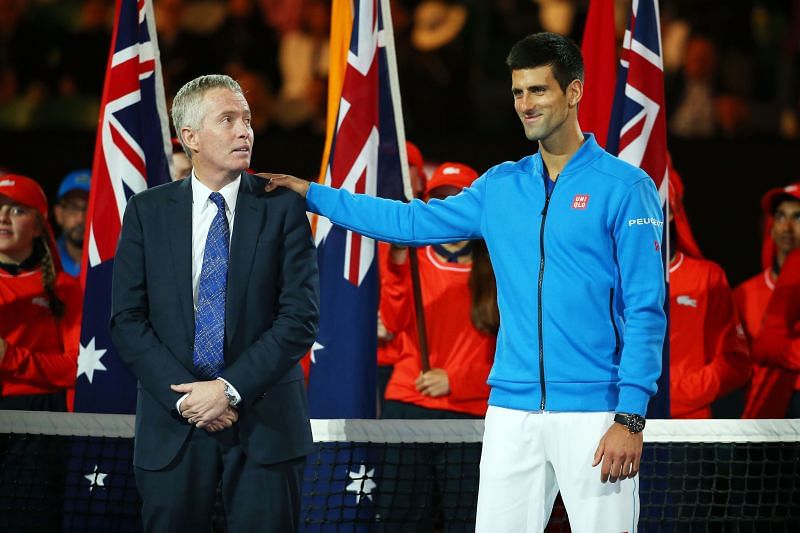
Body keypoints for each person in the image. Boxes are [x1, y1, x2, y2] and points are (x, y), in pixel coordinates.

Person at [266, 32, 666, 532]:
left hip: (595, 410)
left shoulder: (626, 188)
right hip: (510, 413)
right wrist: (314, 195)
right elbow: (407, 222)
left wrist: (630, 417)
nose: (525, 104)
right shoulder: (500, 186)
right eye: (518, 92)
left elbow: (646, 310)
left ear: (574, 92)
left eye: (538, 90)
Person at [109, 74, 320, 532]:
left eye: (246, 119)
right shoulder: (147, 211)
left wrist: (226, 389)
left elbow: (299, 318)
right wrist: (190, 398)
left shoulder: (282, 207)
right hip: (175, 426)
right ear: (190, 137)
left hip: (266, 428)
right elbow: (127, 320)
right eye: (228, 119)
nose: (245, 130)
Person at [378, 162, 497, 530]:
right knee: (401, 519)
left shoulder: (499, 265)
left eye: (459, 199)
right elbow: (392, 323)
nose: (450, 207)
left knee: (465, 520)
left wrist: (459, 381)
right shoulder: (411, 257)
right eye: (441, 199)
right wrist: (397, 262)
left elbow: (518, 345)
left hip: (470, 410)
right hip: (409, 403)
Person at [0, 174, 82, 530]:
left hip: (36, 421)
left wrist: (10, 357)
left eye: (16, 210)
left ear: (38, 225)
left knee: (27, 519)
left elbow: (77, 367)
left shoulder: (65, 288)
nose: (3, 219)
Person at [666, 167, 751, 419]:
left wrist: (669, 399)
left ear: (671, 211)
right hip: (619, 426)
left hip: (687, 432)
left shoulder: (707, 277)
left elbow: (736, 363)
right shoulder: (611, 277)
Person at [735, 183, 800, 417]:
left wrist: (772, 350)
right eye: (780, 216)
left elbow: (765, 349)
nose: (787, 227)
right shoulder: (745, 293)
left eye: (797, 217)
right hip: (761, 414)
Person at [53, 168, 90, 277]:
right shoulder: (44, 263)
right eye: (72, 207)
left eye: (90, 208)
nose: (80, 219)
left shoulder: (118, 263)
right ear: (58, 214)